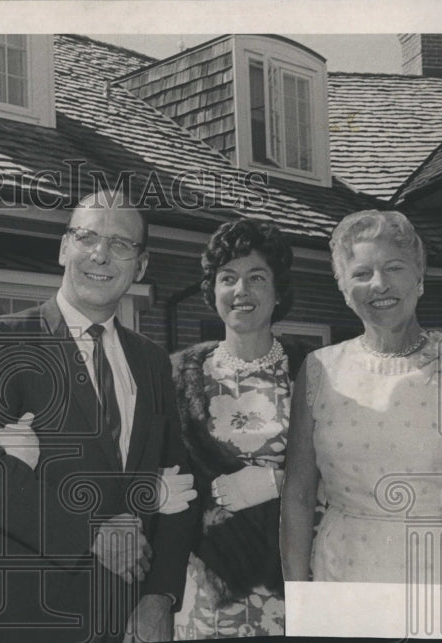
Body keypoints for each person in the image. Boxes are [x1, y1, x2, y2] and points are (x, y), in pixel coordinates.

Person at [0, 191, 196, 643]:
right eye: (87, 237)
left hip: (129, 620)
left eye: (121, 244)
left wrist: (160, 596)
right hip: (32, 617)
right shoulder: (4, 340)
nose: (101, 254)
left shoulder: (150, 361)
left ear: (141, 266)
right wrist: (90, 534)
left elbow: (179, 483)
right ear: (64, 247)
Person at [280, 209, 442, 583]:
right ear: (345, 289)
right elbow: (297, 497)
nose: (379, 284)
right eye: (362, 274)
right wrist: (300, 602)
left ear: (419, 277)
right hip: (347, 569)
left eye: (394, 268)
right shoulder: (319, 370)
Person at [169, 219, 309, 638]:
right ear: (212, 290)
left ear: (278, 290)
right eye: (227, 278)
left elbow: (349, 469)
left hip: (295, 576)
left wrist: (279, 481)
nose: (240, 291)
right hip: (209, 588)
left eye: (256, 277)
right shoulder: (178, 373)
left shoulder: (313, 369)